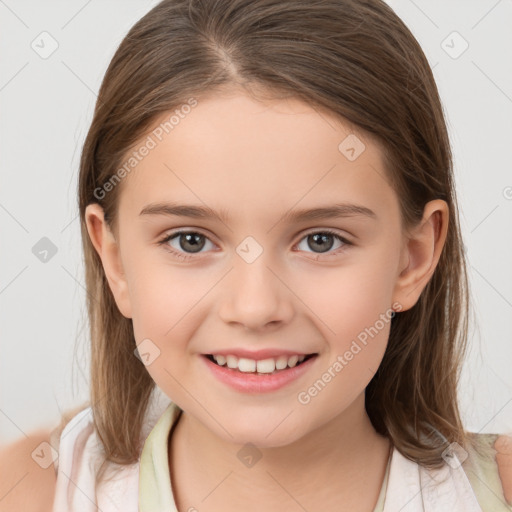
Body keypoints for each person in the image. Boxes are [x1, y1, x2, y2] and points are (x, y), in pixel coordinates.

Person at [1, 0, 511, 511]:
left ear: (413, 258)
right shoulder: (30, 492)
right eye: (190, 240)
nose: (255, 307)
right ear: (115, 261)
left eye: (320, 240)